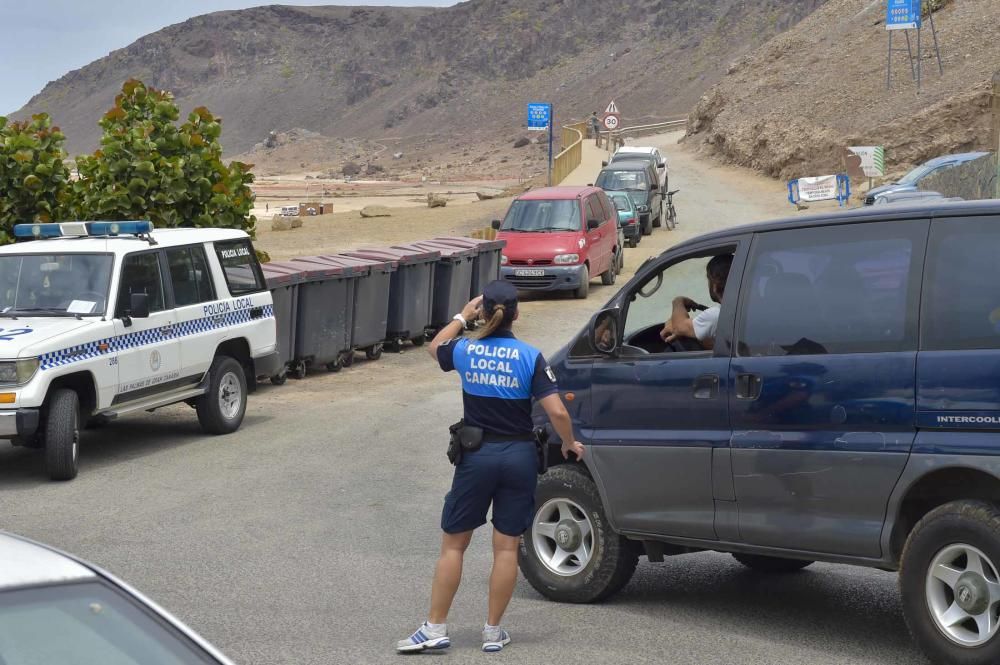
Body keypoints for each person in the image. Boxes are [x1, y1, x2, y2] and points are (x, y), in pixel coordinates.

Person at [397, 280, 585, 655]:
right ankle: (493, 632)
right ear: (516, 314)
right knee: (506, 549)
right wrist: (568, 442)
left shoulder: (466, 349)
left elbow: (435, 347)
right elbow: (557, 411)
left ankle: (435, 627)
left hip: (477, 457)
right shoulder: (530, 357)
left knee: (454, 545)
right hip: (518, 458)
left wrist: (461, 317)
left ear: (483, 312)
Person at [660, 254, 733, 350]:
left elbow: (679, 327)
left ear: (715, 285)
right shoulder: (740, 310)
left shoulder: (717, 315)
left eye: (708, 279)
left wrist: (678, 301)